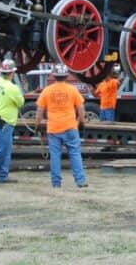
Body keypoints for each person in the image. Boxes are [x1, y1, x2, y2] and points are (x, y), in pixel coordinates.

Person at [36, 62, 88, 190]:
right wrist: (81, 122)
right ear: (66, 76)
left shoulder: (47, 91)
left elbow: (40, 111)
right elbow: (80, 108)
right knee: (75, 154)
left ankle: (56, 183)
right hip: (70, 126)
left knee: (55, 156)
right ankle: (80, 180)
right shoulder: (72, 90)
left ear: (54, 76)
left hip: (53, 128)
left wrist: (37, 124)